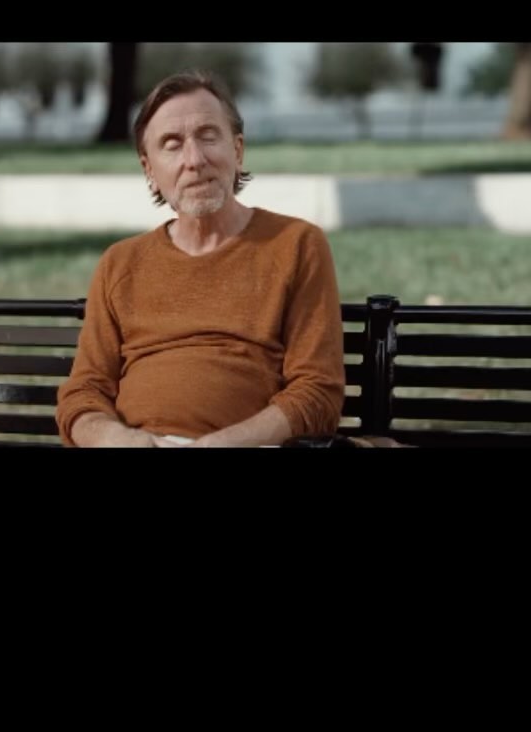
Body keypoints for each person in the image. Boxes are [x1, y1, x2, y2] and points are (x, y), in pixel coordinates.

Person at [56, 69, 346, 448]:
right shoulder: (119, 264)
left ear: (237, 151)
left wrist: (219, 445)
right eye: (172, 144)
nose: (194, 160)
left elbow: (318, 392)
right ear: (149, 170)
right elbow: (82, 394)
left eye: (208, 136)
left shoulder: (296, 245)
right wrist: (120, 440)